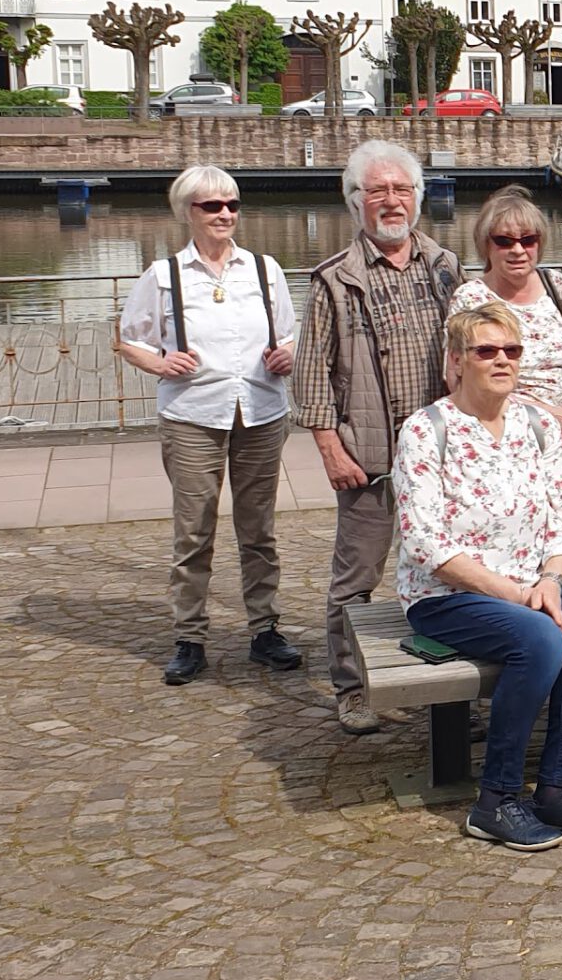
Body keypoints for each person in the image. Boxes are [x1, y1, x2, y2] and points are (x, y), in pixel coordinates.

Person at [393, 302, 562, 851]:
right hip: (449, 594)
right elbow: (427, 544)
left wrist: (550, 577)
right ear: (456, 361)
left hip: (534, 584)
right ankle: (495, 799)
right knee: (541, 639)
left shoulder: (539, 425)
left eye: (511, 351)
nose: (501, 360)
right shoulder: (426, 432)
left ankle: (557, 789)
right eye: (485, 351)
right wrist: (520, 596)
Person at [294, 141, 463, 736]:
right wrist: (329, 447)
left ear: (417, 197)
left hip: (442, 457)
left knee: (445, 572)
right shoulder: (334, 281)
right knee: (357, 576)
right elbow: (312, 373)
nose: (391, 201)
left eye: (402, 190)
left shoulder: (445, 267)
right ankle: (352, 687)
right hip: (368, 455)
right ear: (355, 201)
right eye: (378, 191)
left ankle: (443, 688)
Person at [116, 165, 304, 687]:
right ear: (187, 213)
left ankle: (265, 629)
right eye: (211, 206)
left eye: (232, 205)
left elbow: (287, 334)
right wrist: (159, 363)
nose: (224, 214)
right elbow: (130, 338)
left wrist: (285, 356)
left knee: (258, 529)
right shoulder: (164, 275)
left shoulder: (265, 270)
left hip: (261, 411)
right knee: (194, 529)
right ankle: (190, 637)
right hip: (193, 415)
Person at [448, 186, 562, 519]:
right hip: (504, 435)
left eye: (528, 240)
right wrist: (548, 416)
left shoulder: (556, 286)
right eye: (504, 241)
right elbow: (457, 380)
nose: (518, 250)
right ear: (486, 245)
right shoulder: (471, 299)